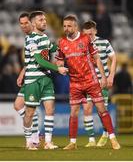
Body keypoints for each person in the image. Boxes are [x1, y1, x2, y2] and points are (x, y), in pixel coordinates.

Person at [55, 14, 120, 150]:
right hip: (75, 82)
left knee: (102, 109)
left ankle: (113, 139)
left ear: (75, 26)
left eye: (69, 26)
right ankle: (73, 142)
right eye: (64, 26)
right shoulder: (61, 42)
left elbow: (96, 58)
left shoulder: (85, 39)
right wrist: (60, 66)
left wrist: (103, 77)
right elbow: (59, 59)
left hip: (91, 80)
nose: (66, 28)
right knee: (73, 112)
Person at [23, 10, 68, 150]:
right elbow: (39, 61)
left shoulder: (45, 37)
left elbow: (52, 48)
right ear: (34, 23)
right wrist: (57, 68)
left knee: (50, 109)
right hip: (33, 80)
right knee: (30, 112)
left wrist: (64, 44)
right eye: (41, 20)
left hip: (46, 79)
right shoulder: (31, 38)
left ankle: (48, 142)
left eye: (45, 19)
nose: (44, 21)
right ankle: (29, 140)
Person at [82, 20, 117, 147]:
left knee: (102, 110)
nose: (88, 37)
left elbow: (114, 58)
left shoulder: (104, 42)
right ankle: (91, 140)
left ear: (95, 31)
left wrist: (111, 76)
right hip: (87, 82)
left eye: (90, 34)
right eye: (86, 34)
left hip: (102, 81)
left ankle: (105, 134)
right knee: (86, 109)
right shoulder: (82, 44)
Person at [14, 12, 40, 147]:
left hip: (35, 79)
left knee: (28, 111)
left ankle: (30, 140)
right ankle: (35, 132)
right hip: (28, 76)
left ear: (32, 23)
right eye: (21, 24)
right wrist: (21, 74)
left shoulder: (35, 37)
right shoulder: (27, 38)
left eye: (26, 23)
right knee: (18, 106)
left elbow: (38, 59)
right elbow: (29, 61)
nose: (23, 26)